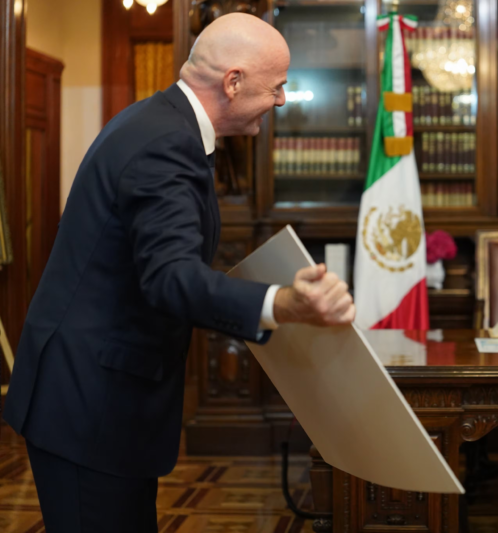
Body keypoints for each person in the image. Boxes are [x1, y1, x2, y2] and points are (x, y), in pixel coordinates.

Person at [2, 13, 355, 532]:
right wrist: (282, 302)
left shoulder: (161, 122)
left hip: (100, 395)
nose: (282, 100)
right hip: (90, 404)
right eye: (276, 86)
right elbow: (170, 278)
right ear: (233, 82)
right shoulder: (166, 142)